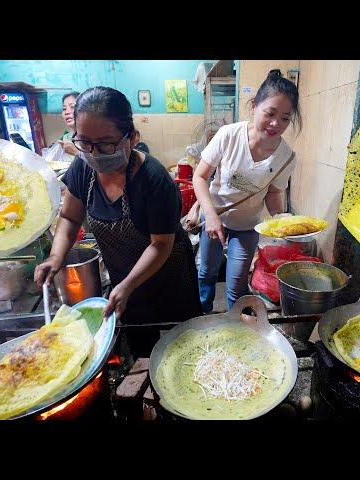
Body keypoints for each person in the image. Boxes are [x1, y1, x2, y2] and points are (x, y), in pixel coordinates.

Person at [34, 86, 202, 357]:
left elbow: (160, 245)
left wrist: (128, 284)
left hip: (167, 275)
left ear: (132, 138)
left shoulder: (154, 180)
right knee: (141, 351)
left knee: (182, 347)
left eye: (107, 143)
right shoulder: (82, 168)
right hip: (125, 280)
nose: (95, 153)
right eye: (85, 142)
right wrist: (56, 257)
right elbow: (69, 217)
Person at [192, 69, 301, 313]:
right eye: (270, 114)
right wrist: (209, 216)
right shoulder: (228, 135)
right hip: (214, 216)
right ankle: (202, 317)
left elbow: (273, 193)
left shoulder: (286, 157)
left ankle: (236, 328)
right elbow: (199, 177)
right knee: (206, 274)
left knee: (236, 286)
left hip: (248, 226)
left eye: (285, 118)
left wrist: (278, 221)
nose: (276, 124)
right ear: (254, 107)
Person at [57, 91, 79, 162]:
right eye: (64, 109)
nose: (66, 112)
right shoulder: (66, 138)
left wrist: (76, 152)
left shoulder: (92, 138)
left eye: (72, 107)